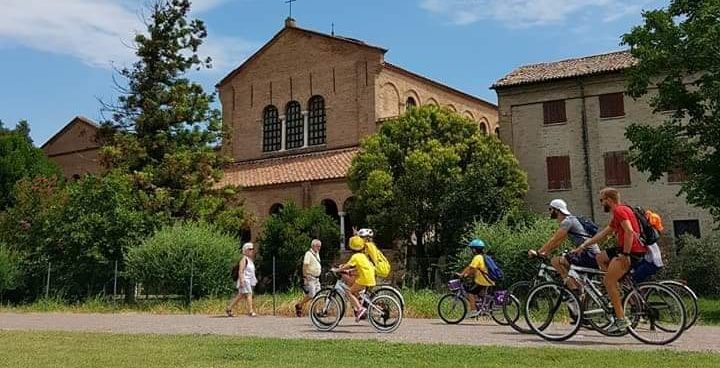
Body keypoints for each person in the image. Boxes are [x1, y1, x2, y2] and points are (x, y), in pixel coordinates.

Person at [577, 188, 646, 333]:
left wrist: (626, 254)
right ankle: (615, 289)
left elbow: (628, 231)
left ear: (609, 200)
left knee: (608, 281)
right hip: (627, 248)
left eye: (602, 200)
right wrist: (584, 245)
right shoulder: (622, 210)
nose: (601, 204)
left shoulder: (620, 211)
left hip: (630, 251)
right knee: (600, 257)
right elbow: (604, 233)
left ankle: (621, 319)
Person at [531, 199, 599, 291]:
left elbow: (554, 239)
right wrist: (546, 252)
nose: (549, 212)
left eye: (550, 209)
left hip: (588, 253)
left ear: (557, 210)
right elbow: (558, 242)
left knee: (555, 261)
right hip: (591, 253)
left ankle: (573, 292)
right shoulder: (571, 220)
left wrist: (538, 252)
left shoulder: (567, 221)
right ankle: (578, 292)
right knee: (567, 265)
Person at [335, 235, 376, 322]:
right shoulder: (362, 256)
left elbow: (347, 265)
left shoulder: (355, 256)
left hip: (364, 279)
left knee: (349, 291)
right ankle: (358, 310)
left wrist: (338, 269)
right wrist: (350, 271)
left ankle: (360, 309)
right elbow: (358, 268)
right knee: (355, 292)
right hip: (369, 277)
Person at [456, 239, 495, 318]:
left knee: (471, 292)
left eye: (471, 249)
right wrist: (462, 274)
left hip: (483, 281)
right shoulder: (483, 256)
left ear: (474, 249)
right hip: (489, 280)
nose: (471, 251)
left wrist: (465, 275)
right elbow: (469, 267)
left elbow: (472, 269)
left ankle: (473, 310)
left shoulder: (477, 257)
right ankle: (483, 308)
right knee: (479, 293)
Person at [226, 242, 258, 317]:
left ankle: (229, 308)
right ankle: (250, 311)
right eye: (250, 249)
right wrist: (241, 281)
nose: (252, 250)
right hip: (244, 280)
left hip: (248, 280)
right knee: (249, 294)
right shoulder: (244, 259)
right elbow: (241, 271)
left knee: (240, 296)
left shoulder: (250, 260)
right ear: (245, 250)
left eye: (252, 249)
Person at [294, 239, 322, 317]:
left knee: (318, 294)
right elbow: (305, 265)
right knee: (312, 294)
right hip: (310, 277)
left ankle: (316, 311)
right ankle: (299, 305)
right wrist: (305, 277)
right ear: (313, 246)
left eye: (320, 246)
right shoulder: (308, 254)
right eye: (318, 246)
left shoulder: (317, 254)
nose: (319, 248)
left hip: (317, 278)